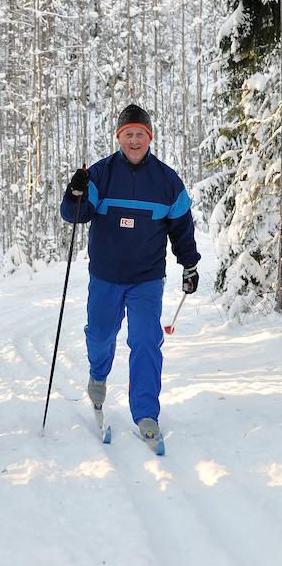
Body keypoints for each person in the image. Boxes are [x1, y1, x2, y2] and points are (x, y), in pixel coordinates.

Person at [60, 104, 200, 442]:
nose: (134, 140)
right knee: (100, 334)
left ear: (149, 138)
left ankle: (147, 413)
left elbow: (182, 227)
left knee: (146, 341)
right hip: (106, 275)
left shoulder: (167, 181)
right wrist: (75, 191)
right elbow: (73, 215)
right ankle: (98, 375)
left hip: (147, 278)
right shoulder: (101, 174)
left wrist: (190, 263)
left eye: (140, 134)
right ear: (119, 138)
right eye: (128, 135)